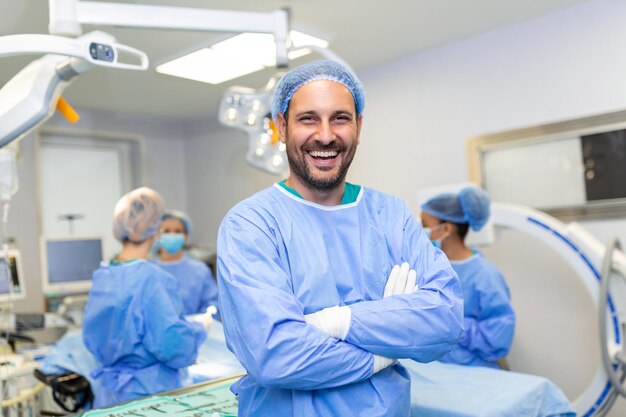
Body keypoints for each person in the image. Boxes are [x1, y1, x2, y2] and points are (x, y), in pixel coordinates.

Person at [217, 60, 463, 417]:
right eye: (308, 119)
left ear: (359, 127)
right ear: (282, 127)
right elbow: (275, 355)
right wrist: (387, 348)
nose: (326, 135)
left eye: (340, 118)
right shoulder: (250, 225)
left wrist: (336, 322)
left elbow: (445, 318)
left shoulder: (390, 216)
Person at [82, 187, 211, 407]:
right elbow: (173, 346)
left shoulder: (104, 274)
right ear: (155, 230)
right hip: (149, 395)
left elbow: (93, 336)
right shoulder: (151, 279)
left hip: (111, 394)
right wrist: (198, 330)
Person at [420, 186, 515, 369]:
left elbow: (497, 338)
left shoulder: (485, 276)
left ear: (446, 229)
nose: (420, 230)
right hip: (432, 371)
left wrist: (450, 320)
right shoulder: (428, 266)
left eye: (424, 225)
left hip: (472, 372)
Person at [152, 210, 219, 316]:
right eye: (166, 231)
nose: (172, 235)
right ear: (157, 235)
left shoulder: (199, 270)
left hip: (194, 330)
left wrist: (203, 320)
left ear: (186, 236)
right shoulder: (148, 269)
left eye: (178, 231)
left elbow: (212, 304)